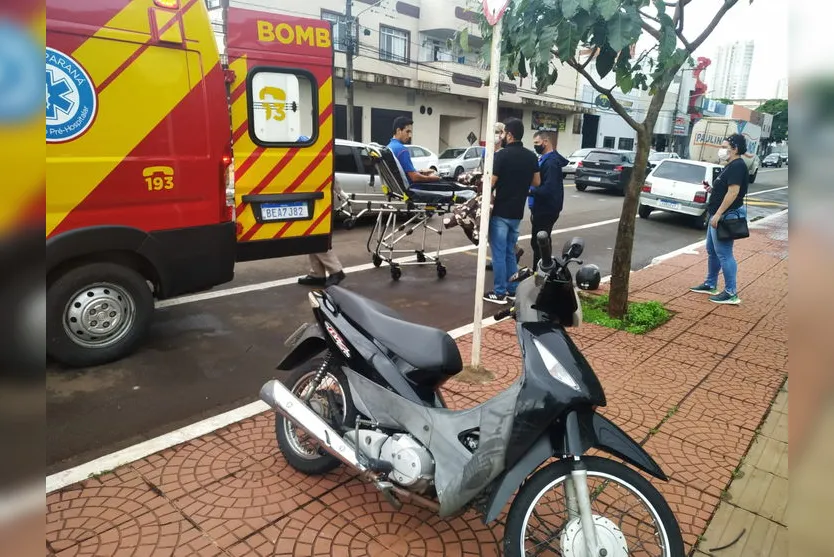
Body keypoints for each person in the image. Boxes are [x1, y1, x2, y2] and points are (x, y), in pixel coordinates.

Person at [484, 117, 540, 304]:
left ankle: (499, 292)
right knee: (509, 251)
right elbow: (536, 182)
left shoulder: (502, 155)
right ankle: (513, 289)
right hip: (517, 212)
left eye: (503, 133)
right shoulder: (531, 156)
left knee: (499, 253)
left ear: (509, 135)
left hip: (501, 210)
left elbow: (491, 182)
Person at [689, 133, 749, 304]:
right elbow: (724, 189)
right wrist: (711, 190)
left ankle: (731, 292)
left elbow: (733, 192)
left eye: (724, 147)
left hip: (725, 216)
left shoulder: (737, 166)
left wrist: (718, 214)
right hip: (717, 214)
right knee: (712, 250)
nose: (721, 150)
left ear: (735, 149)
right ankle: (710, 283)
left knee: (724, 253)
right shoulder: (730, 165)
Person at [530, 130, 569, 269]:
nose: (535, 146)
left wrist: (531, 191)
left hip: (546, 208)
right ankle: (543, 269)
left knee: (540, 242)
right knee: (541, 241)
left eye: (537, 143)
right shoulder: (545, 159)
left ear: (545, 142)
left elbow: (548, 188)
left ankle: (541, 270)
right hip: (542, 207)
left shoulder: (551, 162)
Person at [298, 179, 347, 287]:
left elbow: (330, 175)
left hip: (320, 198)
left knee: (317, 237)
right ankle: (317, 273)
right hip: (310, 196)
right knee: (310, 236)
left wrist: (339, 191)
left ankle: (336, 271)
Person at [387, 116, 441, 185]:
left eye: (410, 132)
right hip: (413, 188)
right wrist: (434, 178)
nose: (410, 136)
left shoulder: (389, 147)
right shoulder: (402, 150)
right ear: (398, 131)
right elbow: (414, 177)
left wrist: (421, 172)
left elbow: (403, 173)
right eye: (407, 131)